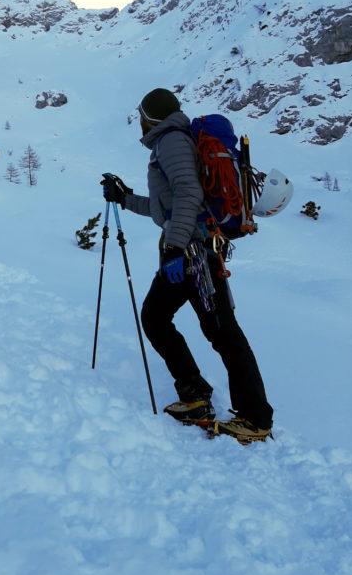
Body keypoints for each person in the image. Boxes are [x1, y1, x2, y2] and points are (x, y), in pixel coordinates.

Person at [103, 87, 273, 443]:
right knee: (159, 317)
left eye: (141, 115)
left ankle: (255, 418)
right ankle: (195, 395)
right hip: (192, 250)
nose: (139, 121)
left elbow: (188, 195)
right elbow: (166, 207)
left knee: (222, 332)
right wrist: (125, 198)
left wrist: (175, 250)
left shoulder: (172, 141)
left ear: (150, 117)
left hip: (194, 254)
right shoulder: (172, 142)